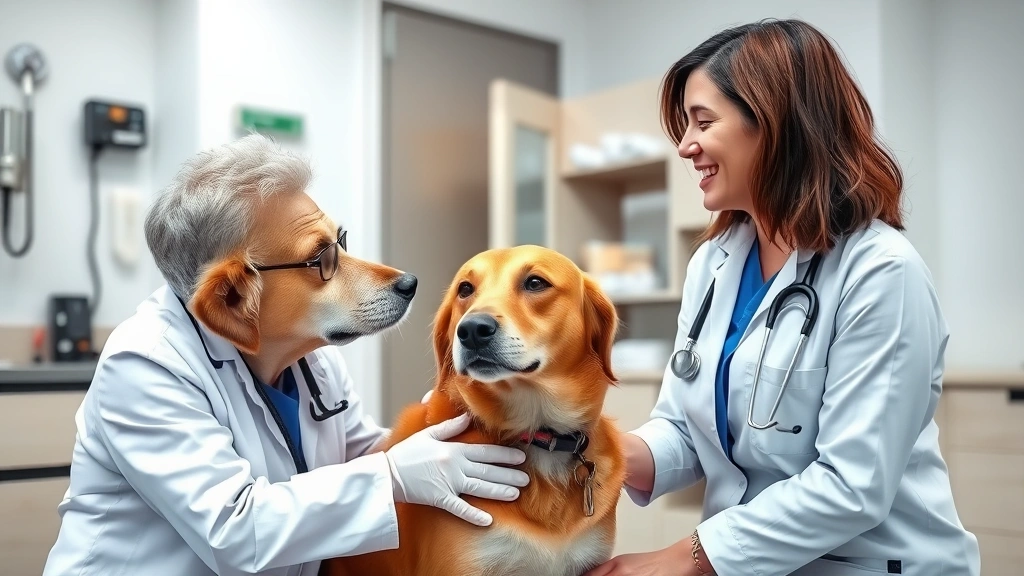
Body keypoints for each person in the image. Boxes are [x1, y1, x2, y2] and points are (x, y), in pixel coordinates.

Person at [584, 19, 981, 576]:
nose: (685, 146)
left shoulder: (882, 272)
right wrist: (587, 452)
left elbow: (851, 486)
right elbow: (685, 430)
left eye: (703, 122)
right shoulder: (715, 263)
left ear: (772, 123)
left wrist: (677, 561)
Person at [42, 134, 529, 576]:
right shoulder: (147, 364)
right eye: (322, 259)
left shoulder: (309, 357)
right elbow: (234, 531)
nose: (389, 277)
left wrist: (446, 431)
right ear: (234, 300)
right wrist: (395, 476)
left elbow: (360, 454)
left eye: (338, 244)